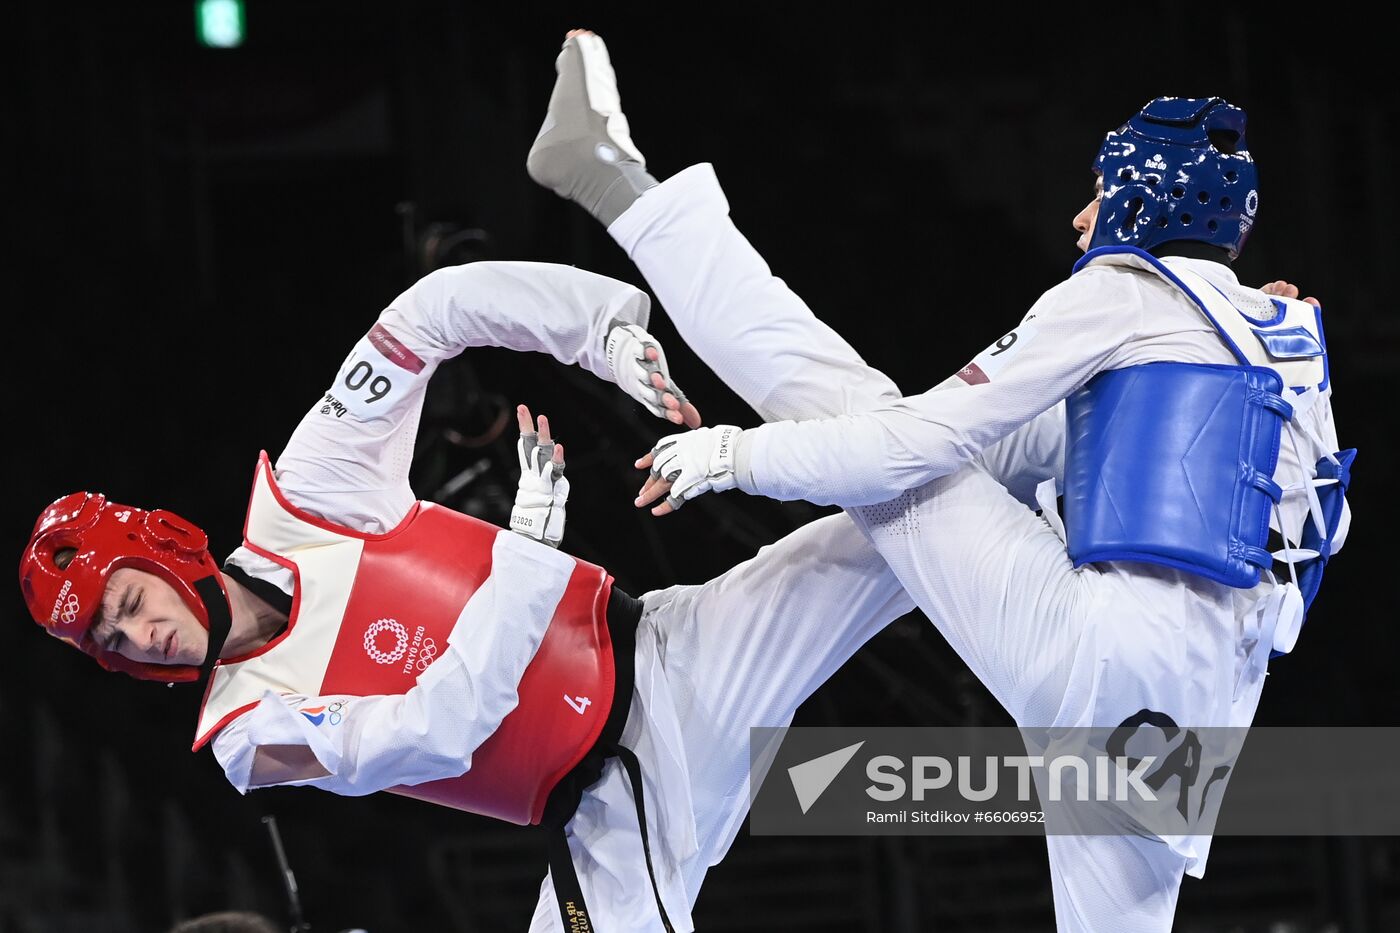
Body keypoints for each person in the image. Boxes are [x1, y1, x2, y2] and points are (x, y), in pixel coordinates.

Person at [531, 33, 1353, 932]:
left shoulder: (1124, 290)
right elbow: (1317, 529)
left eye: (1099, 194)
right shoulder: (1290, 338)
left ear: (1142, 202)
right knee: (957, 463)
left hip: (1092, 661)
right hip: (1193, 734)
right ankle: (611, 175)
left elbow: (907, 447)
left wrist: (737, 457)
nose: (1081, 219)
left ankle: (617, 185)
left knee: (857, 413)